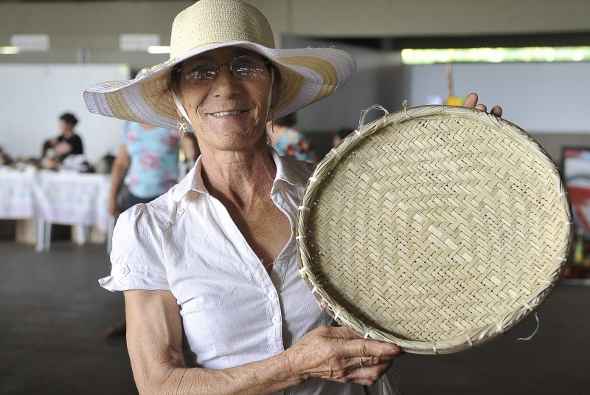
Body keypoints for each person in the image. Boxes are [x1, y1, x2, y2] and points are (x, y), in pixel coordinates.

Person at [84, 0, 502, 393]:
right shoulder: (152, 229)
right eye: (200, 71)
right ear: (177, 99)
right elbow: (159, 385)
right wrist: (294, 365)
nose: (226, 88)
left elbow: (420, 277)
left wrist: (456, 180)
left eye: (246, 67)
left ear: (274, 88)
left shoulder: (338, 197)